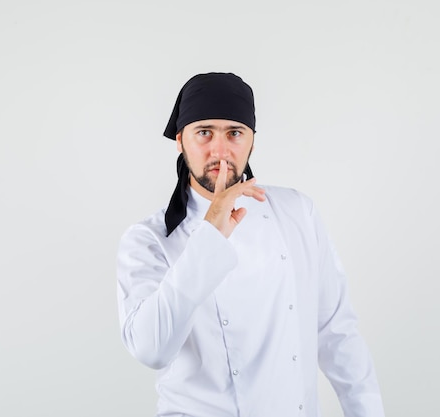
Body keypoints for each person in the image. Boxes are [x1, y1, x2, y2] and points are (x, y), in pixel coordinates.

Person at [117, 72, 385, 417]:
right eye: (204, 133)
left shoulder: (297, 212)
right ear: (180, 141)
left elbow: (337, 334)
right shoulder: (149, 240)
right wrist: (210, 232)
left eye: (234, 133)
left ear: (252, 142)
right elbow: (152, 349)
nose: (220, 150)